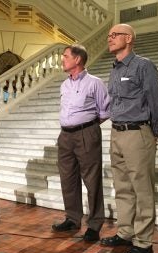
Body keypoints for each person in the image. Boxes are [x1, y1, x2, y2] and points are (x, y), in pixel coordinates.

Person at [100, 24, 158, 253]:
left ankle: (144, 242)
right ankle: (126, 232)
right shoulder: (115, 69)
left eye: (114, 35)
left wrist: (153, 134)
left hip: (138, 133)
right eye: (108, 35)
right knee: (123, 187)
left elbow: (157, 102)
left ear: (128, 38)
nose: (109, 39)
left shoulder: (143, 65)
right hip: (116, 133)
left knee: (142, 189)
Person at [51, 44, 110, 242]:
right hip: (65, 136)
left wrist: (89, 126)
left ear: (77, 59)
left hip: (86, 134)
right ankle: (72, 218)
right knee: (67, 179)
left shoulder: (95, 83)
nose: (62, 59)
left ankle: (94, 225)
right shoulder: (64, 85)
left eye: (66, 56)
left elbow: (105, 110)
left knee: (92, 180)